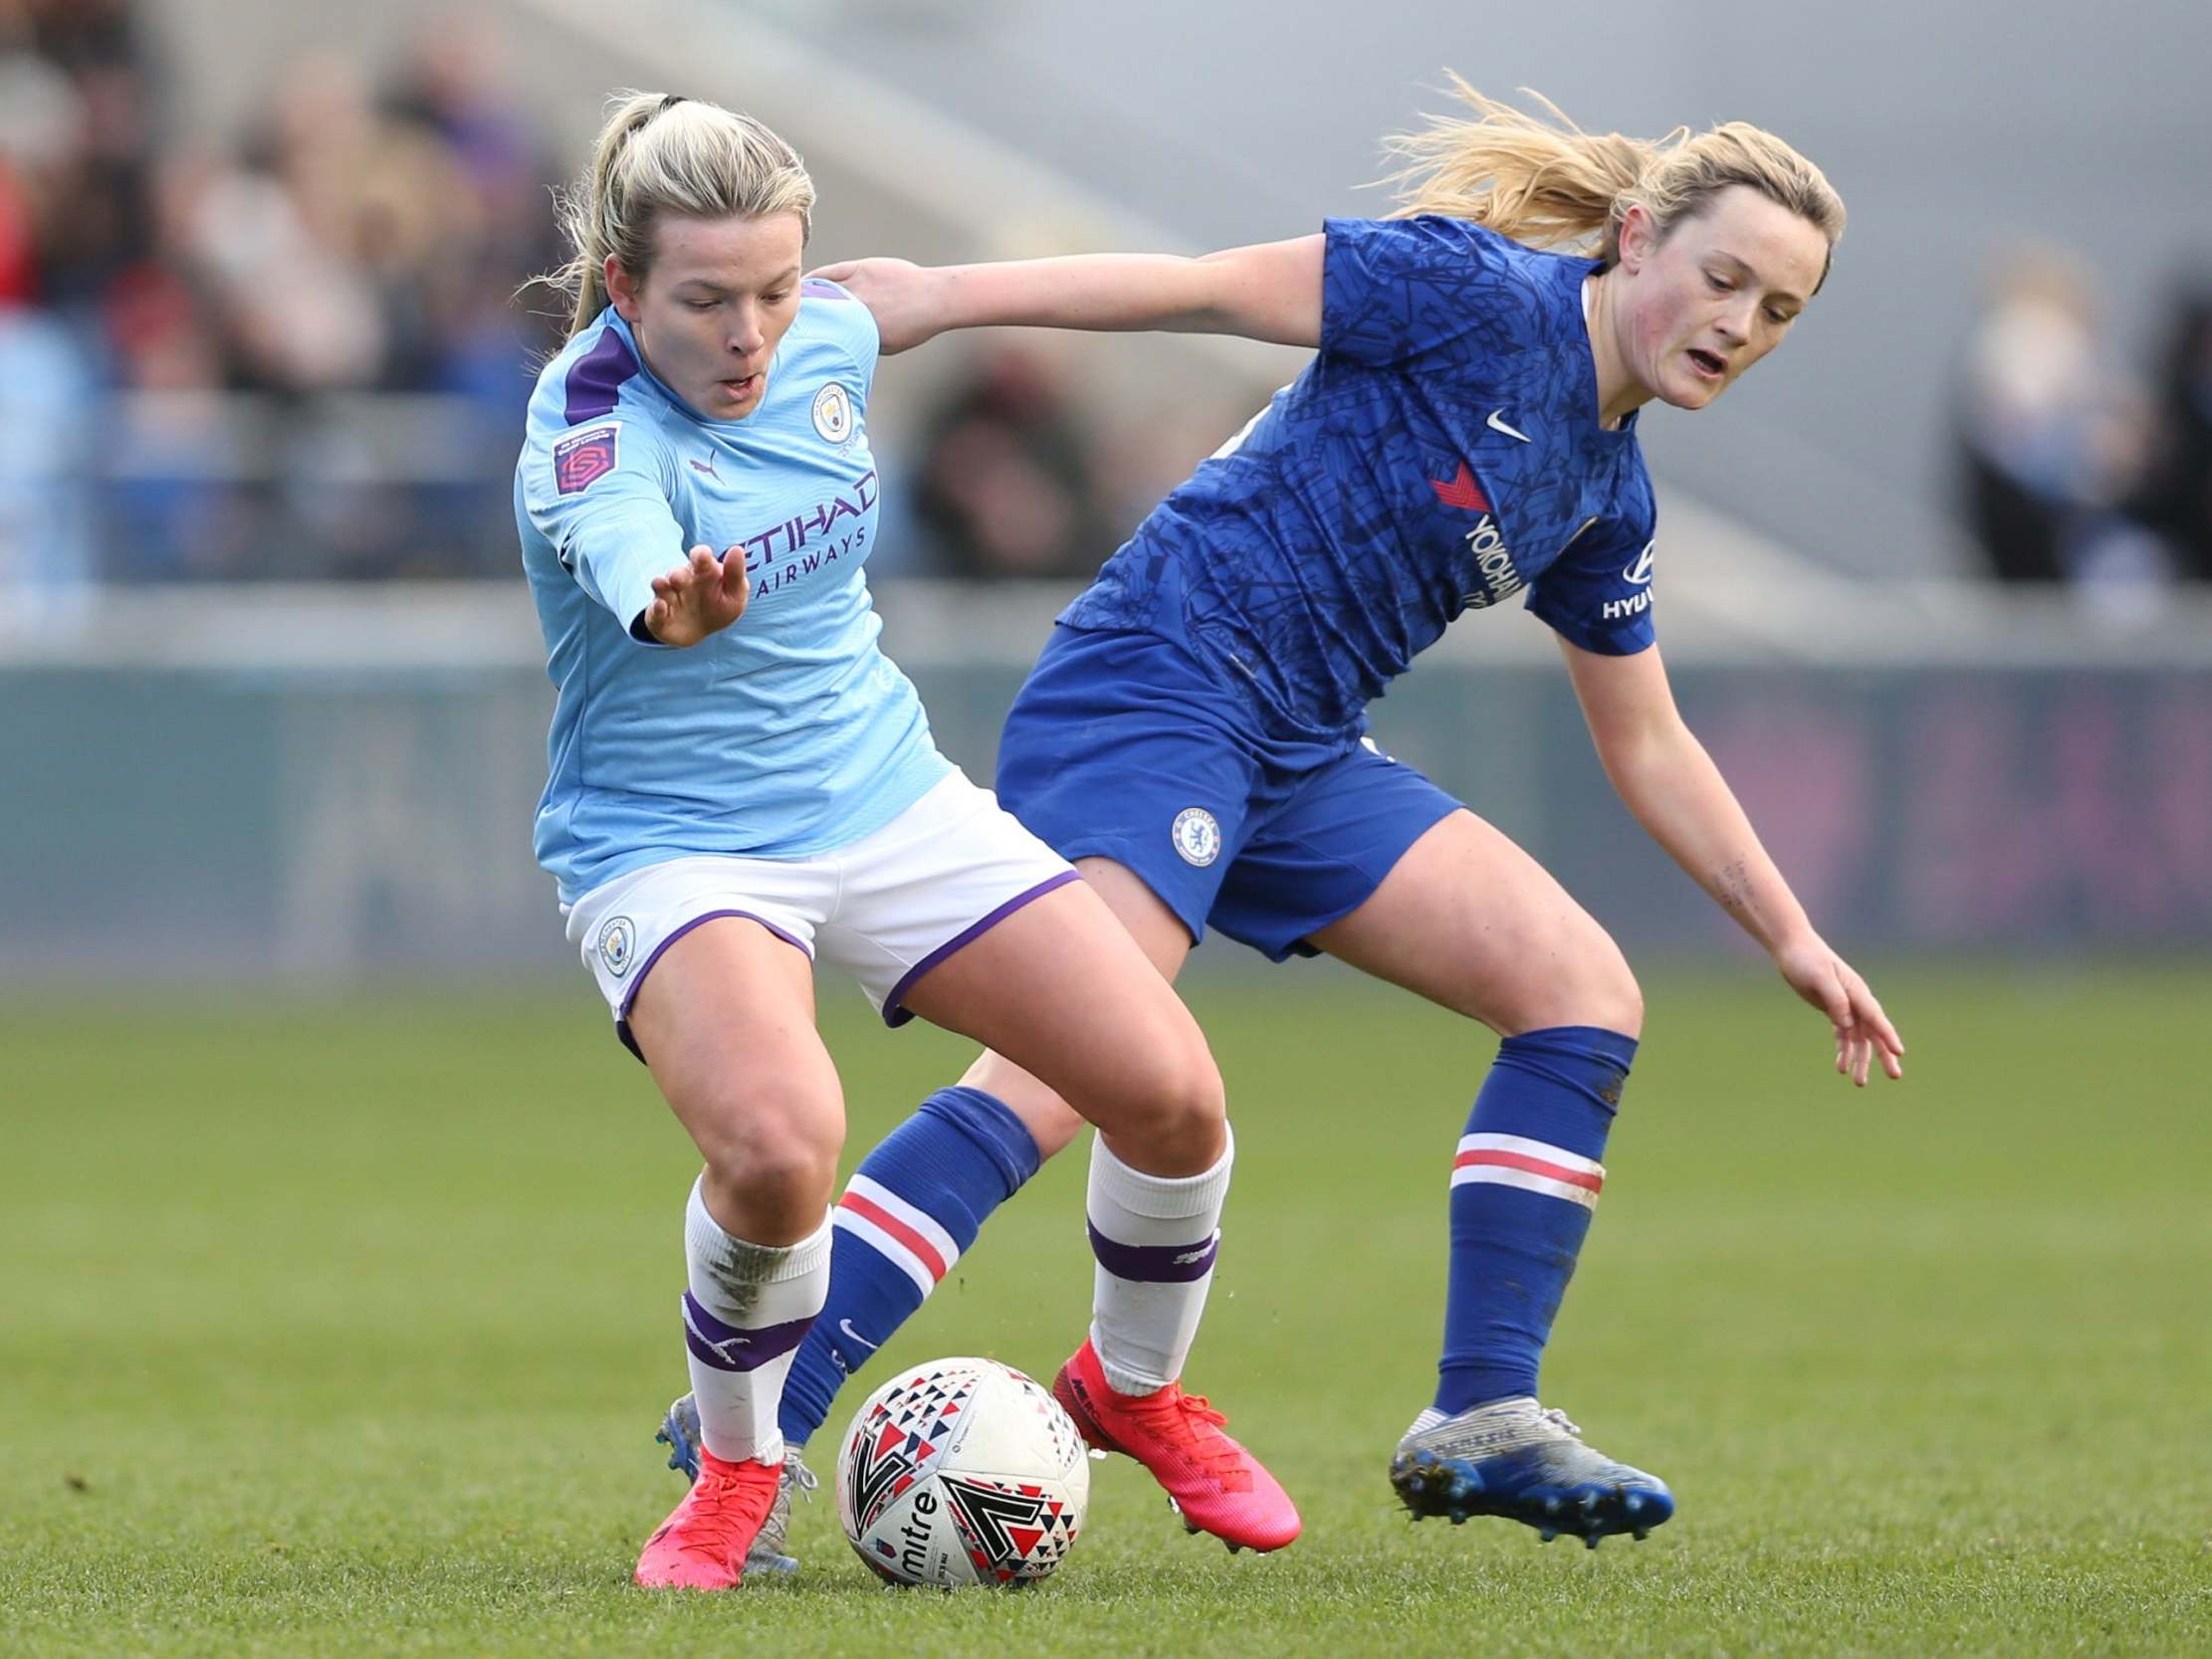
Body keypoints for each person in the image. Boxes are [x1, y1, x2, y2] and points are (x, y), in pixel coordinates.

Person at [658, 78, 1909, 1559]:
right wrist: (940, 296)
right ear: (1634, 238)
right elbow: (1197, 290)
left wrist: (1790, 934)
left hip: (1300, 751)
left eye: (1777, 310)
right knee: (1070, 1076)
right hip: (1156, 684)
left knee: (1579, 995)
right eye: (1724, 279)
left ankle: (1478, 1416)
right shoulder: (1462, 290)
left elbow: (1645, 740)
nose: (1740, 325)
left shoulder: (1605, 492)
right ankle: (752, 1414)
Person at [516, 92, 1299, 1591]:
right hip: (676, 843)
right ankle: (739, 1473)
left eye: (770, 290)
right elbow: (633, 570)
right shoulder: (587, 422)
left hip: (880, 795)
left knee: (1171, 1097)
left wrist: (1262, 296)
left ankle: (1129, 1390)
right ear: (623, 289)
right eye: (702, 301)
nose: (748, 333)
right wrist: (677, 605)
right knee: (776, 1148)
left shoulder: (835, 323)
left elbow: (1061, 287)